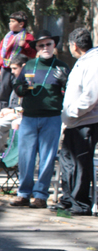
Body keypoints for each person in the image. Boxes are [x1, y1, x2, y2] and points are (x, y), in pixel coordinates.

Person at [9, 30, 69, 208]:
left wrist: (66, 81)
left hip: (51, 117)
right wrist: (23, 89)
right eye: (41, 45)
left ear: (54, 45)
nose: (45, 48)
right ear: (36, 48)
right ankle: (23, 193)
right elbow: (17, 87)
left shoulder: (61, 67)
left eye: (48, 44)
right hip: (29, 116)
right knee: (25, 156)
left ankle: (41, 195)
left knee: (47, 157)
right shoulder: (29, 66)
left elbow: (72, 90)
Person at [55, 27, 98, 215]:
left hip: (85, 121)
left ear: (74, 45)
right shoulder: (83, 62)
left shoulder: (93, 62)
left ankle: (80, 202)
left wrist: (72, 112)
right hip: (73, 122)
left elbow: (91, 96)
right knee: (67, 160)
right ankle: (68, 197)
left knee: (81, 162)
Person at [0, 56, 27, 154]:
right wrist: (6, 109)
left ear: (23, 67)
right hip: (12, 112)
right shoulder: (16, 80)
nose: (12, 72)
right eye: (11, 69)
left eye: (15, 68)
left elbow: (26, 105)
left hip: (22, 115)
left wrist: (13, 111)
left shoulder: (29, 81)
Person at [0, 12, 35, 110]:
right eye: (10, 21)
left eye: (13, 21)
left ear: (21, 24)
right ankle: (2, 110)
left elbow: (33, 53)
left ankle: (16, 108)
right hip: (6, 67)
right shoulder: (7, 37)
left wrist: (25, 45)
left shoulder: (28, 37)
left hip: (19, 69)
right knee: (4, 89)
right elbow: (2, 52)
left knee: (17, 88)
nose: (10, 23)